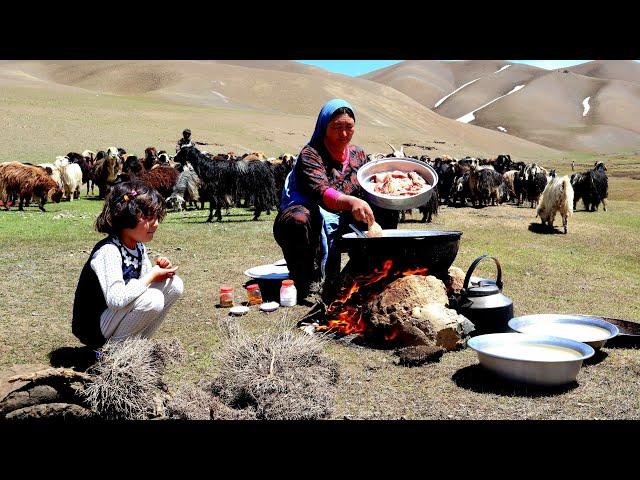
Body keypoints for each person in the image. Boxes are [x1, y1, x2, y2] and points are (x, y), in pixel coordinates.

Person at [273, 99, 398, 301]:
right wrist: (350, 202)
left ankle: (360, 273)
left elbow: (367, 186)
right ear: (324, 126)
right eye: (336, 127)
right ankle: (307, 280)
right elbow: (321, 192)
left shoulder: (358, 154)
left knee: (386, 212)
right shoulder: (311, 154)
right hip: (312, 213)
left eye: (349, 127)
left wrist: (389, 190)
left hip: (346, 217)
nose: (343, 134)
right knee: (298, 219)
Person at [72, 180, 183, 348]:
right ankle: (114, 353)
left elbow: (142, 285)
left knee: (175, 285)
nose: (156, 223)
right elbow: (116, 299)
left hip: (115, 318)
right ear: (126, 216)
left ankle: (137, 347)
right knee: (152, 300)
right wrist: (151, 276)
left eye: (157, 217)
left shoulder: (138, 247)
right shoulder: (109, 251)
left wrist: (158, 273)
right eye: (148, 217)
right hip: (96, 325)